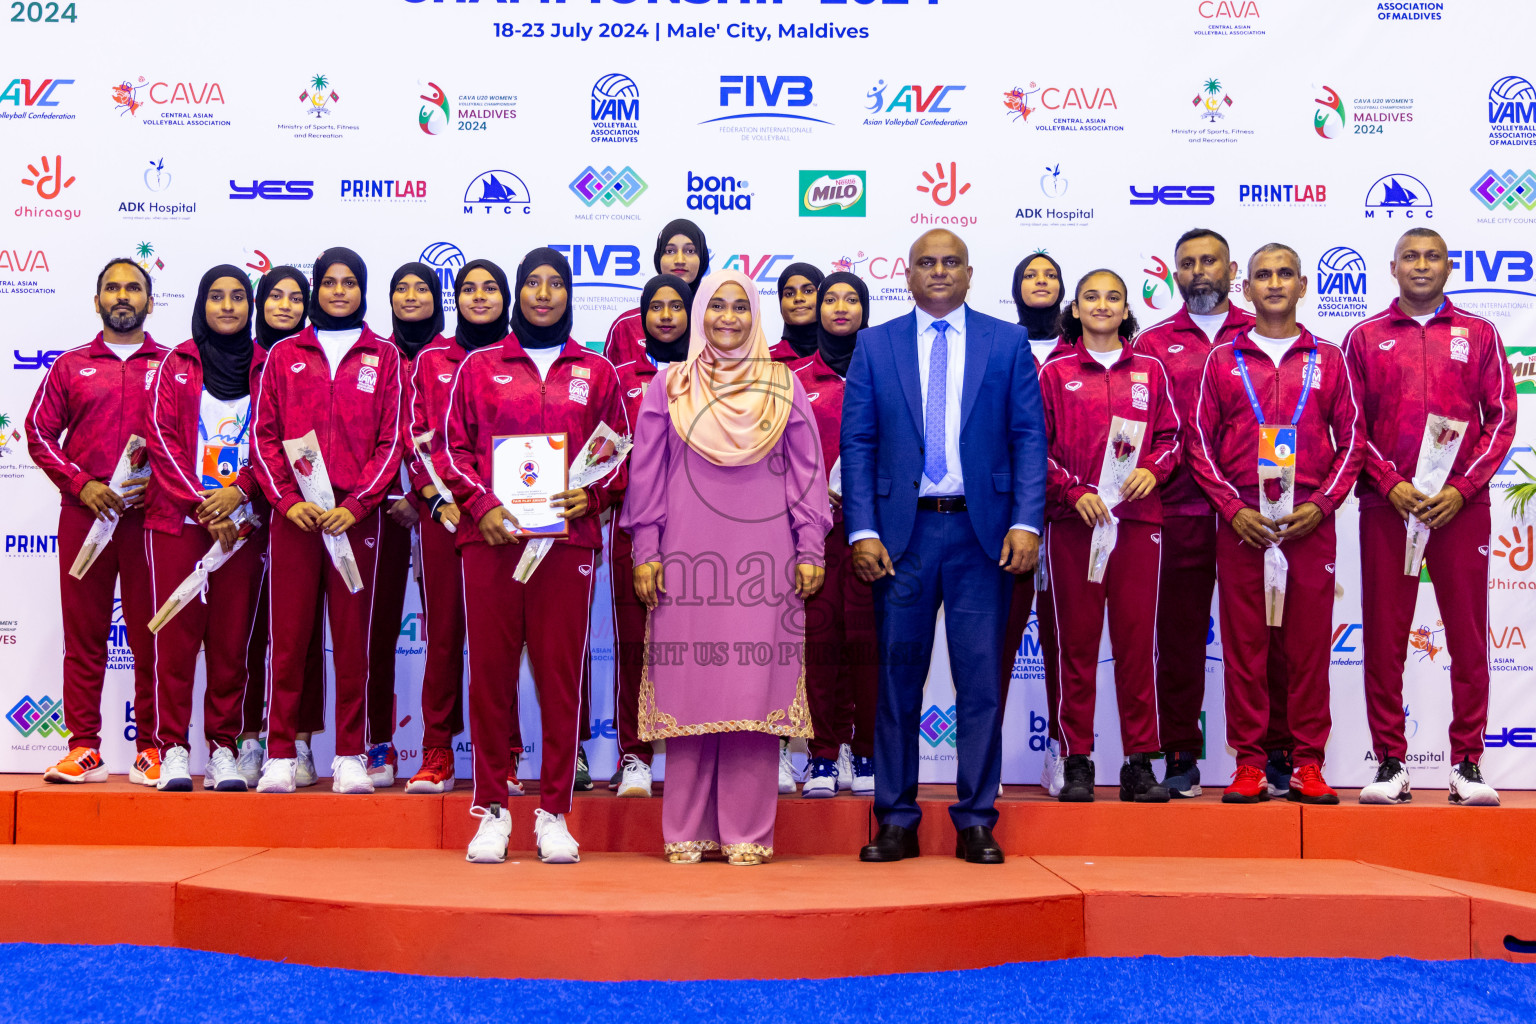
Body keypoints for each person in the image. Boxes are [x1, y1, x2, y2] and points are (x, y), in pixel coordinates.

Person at [843, 230, 1046, 864]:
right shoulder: (875, 346)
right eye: (926, 263)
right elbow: (859, 444)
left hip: (980, 538)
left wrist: (1026, 522)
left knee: (980, 682)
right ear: (906, 274)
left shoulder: (1006, 341)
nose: (938, 272)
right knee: (898, 682)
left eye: (949, 262)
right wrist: (863, 529)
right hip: (900, 540)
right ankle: (897, 819)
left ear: (968, 273)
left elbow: (1028, 438)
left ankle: (977, 820)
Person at [621, 269, 830, 865]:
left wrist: (811, 547)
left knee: (752, 688)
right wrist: (647, 550)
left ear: (756, 315)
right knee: (691, 687)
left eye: (741, 307)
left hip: (765, 561)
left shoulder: (782, 385)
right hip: (688, 560)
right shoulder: (670, 386)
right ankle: (685, 827)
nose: (728, 318)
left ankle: (747, 830)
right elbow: (648, 478)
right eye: (717, 307)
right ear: (699, 315)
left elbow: (807, 476)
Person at [442, 248, 627, 865]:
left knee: (558, 676)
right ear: (519, 293)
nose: (544, 294)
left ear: (569, 294)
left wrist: (594, 492)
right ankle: (492, 809)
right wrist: (481, 505)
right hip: (492, 539)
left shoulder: (596, 371)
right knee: (491, 675)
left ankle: (554, 813)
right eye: (533, 284)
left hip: (566, 542)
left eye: (556, 284)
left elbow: (621, 455)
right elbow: (450, 450)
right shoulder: (479, 365)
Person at [1185, 243, 1363, 805]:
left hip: (1309, 521)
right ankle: (1249, 765)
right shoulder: (1223, 359)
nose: (1275, 283)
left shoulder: (1329, 358)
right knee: (1245, 649)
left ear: (1304, 284)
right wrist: (1233, 509)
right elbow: (1198, 443)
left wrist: (1324, 503)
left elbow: (1354, 441)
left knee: (1308, 648)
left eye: (1286, 273)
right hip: (1245, 524)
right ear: (1247, 287)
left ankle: (1309, 762)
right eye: (1263, 274)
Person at [1344, 228, 1516, 806]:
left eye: (1433, 257)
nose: (1422, 266)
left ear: (1448, 267)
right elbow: (1349, 426)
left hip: (1459, 509)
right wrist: (1389, 483)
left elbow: (1502, 421)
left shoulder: (1480, 334)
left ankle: (1467, 764)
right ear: (1392, 267)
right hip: (1388, 507)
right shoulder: (1364, 337)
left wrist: (1464, 489)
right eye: (1411, 257)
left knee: (1467, 637)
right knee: (1385, 638)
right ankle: (1391, 761)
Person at [1133, 228, 1294, 799]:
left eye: (1211, 262)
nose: (1199, 271)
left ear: (1233, 273)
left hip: (1256, 513)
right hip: (1177, 512)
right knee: (1177, 638)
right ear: (1174, 274)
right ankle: (1180, 752)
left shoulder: (1265, 334)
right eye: (1188, 263)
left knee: (1267, 635)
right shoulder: (1151, 343)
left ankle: (1277, 750)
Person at [250, 247, 406, 795]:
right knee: (288, 640)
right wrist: (287, 500)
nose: (339, 291)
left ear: (363, 290)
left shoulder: (384, 357)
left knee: (354, 639)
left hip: (354, 520)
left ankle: (349, 754)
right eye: (330, 282)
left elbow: (393, 441)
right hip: (295, 517)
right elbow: (263, 436)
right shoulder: (283, 354)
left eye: (350, 282)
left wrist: (358, 503)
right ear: (317, 289)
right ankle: (279, 753)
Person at [1038, 270, 1179, 803]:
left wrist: (1155, 471)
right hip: (1076, 525)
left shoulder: (1151, 369)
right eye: (1091, 296)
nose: (1102, 305)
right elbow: (1036, 447)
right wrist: (1073, 491)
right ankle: (1077, 759)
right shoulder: (1053, 372)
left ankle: (1140, 760)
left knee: (1137, 645)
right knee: (1074, 645)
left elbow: (1172, 437)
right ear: (1074, 309)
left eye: (1112, 297)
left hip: (1138, 523)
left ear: (1126, 310)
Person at [26, 258, 165, 786]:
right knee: (84, 635)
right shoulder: (69, 366)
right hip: (85, 518)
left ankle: (153, 748)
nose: (122, 296)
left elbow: (187, 440)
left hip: (151, 522)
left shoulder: (173, 364)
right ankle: (84, 747)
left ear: (151, 302)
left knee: (151, 632)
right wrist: (80, 483)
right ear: (97, 300)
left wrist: (165, 486)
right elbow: (38, 433)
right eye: (113, 288)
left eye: (134, 288)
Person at [402, 258, 526, 796]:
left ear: (507, 297)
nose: (480, 297)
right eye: (469, 289)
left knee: (505, 639)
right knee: (446, 634)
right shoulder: (432, 359)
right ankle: (437, 751)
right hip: (450, 517)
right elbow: (415, 439)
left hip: (512, 519)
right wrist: (435, 501)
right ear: (457, 299)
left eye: (491, 288)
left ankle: (507, 754)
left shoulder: (523, 358)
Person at [143, 265, 267, 791]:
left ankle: (222, 746)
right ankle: (170, 746)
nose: (228, 307)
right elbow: (161, 437)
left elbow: (275, 443)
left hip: (242, 523)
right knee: (174, 638)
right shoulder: (177, 362)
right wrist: (202, 504)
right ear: (201, 303)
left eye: (238, 297)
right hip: (180, 519)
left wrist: (237, 493)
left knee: (231, 640)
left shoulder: (269, 365)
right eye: (216, 297)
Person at [235, 267, 326, 788]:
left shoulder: (311, 362)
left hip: (299, 513)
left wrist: (281, 496)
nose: (285, 306)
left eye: (296, 298)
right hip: (241, 517)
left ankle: (299, 741)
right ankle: (250, 737)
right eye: (275, 296)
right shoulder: (236, 360)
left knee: (301, 632)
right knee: (249, 630)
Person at [605, 273, 693, 799]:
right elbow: (603, 452)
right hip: (633, 526)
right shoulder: (616, 376)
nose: (665, 315)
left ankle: (690, 752)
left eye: (675, 306)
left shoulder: (714, 375)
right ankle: (634, 756)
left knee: (692, 649)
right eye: (654, 306)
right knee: (635, 645)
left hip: (701, 532)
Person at [360, 263, 445, 789]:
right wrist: (398, 493)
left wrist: (423, 496)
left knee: (456, 631)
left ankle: (476, 746)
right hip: (382, 509)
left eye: (422, 289)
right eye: (401, 288)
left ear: (439, 300)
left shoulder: (456, 358)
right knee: (376, 629)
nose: (411, 296)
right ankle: (377, 742)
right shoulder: (376, 355)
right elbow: (373, 433)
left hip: (442, 509)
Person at [797, 271, 878, 798]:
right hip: (813, 531)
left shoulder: (885, 373)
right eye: (831, 299)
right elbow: (778, 453)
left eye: (852, 299)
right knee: (821, 645)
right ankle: (824, 753)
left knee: (869, 646)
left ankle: (867, 748)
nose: (841, 307)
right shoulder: (796, 376)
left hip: (873, 531)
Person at [1003, 252, 1065, 796]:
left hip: (1074, 516)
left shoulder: (1083, 349)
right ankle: (986, 753)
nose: (1040, 283)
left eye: (1049, 275)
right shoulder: (1000, 346)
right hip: (1009, 517)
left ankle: (1062, 749)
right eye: (1030, 275)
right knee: (996, 641)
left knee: (1067, 639)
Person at [602, 218, 710, 369]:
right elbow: (609, 385)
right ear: (659, 257)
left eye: (690, 251)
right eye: (670, 251)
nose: (680, 260)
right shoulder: (626, 326)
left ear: (703, 258)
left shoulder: (714, 322)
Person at [769, 261, 825, 368]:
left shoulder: (846, 357)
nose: (798, 298)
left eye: (808, 291)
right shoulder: (763, 360)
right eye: (789, 294)